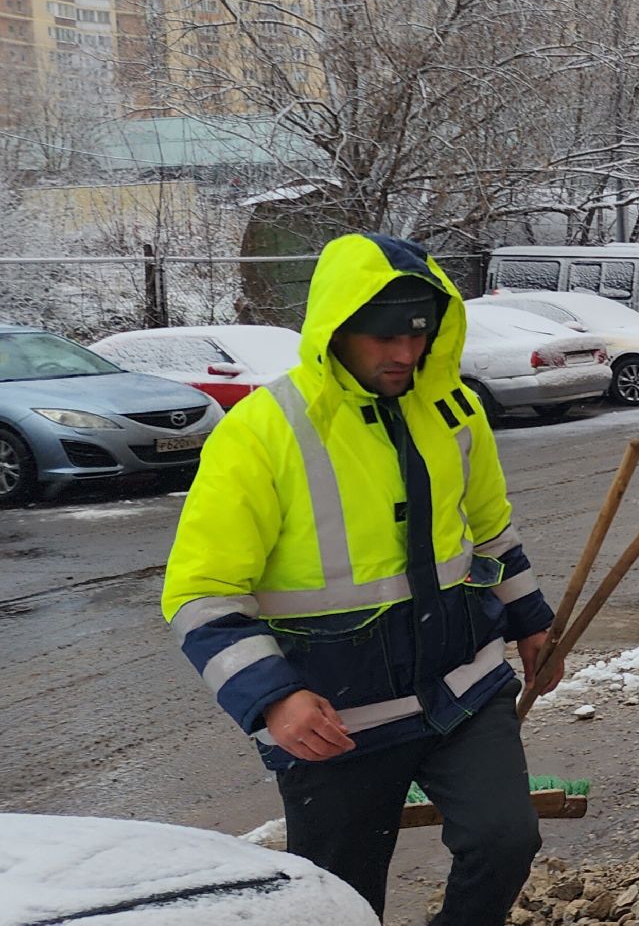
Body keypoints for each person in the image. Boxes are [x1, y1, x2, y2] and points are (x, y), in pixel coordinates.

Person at [163, 233, 560, 925]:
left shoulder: (454, 409)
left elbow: (491, 532)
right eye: (384, 337)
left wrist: (532, 623)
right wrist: (274, 698)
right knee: (342, 900)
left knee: (505, 840)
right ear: (336, 330)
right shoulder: (262, 431)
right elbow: (202, 592)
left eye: (419, 334)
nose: (405, 353)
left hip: (463, 689)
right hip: (337, 721)